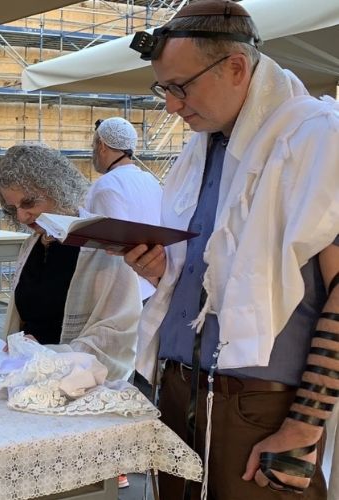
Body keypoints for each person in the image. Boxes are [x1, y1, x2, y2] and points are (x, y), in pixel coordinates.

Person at [123, 1, 339, 497]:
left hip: (259, 408)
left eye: (180, 87)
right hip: (177, 389)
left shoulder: (316, 136)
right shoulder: (202, 148)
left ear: (236, 67)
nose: (171, 105)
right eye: (164, 89)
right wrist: (161, 272)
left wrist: (304, 427)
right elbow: (220, 280)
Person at [0, 144, 140, 381]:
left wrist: (49, 355)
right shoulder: (33, 242)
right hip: (29, 377)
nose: (21, 216)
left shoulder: (103, 244)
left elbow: (118, 334)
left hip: (80, 385)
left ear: (57, 189)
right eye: (13, 208)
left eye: (29, 203)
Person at [86, 116, 162, 301]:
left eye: (93, 146)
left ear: (102, 145)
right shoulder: (151, 180)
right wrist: (157, 280)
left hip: (124, 295)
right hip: (152, 290)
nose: (93, 152)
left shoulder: (106, 186)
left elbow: (114, 246)